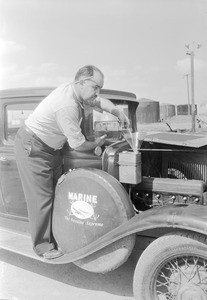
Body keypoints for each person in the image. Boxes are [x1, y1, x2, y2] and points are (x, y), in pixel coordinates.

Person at [14, 65, 129, 259]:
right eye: (95, 87)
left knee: (61, 191)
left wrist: (117, 112)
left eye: (100, 88)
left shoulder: (79, 92)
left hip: (52, 147)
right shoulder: (67, 105)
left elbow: (99, 101)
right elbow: (78, 144)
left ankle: (61, 237)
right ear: (82, 82)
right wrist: (96, 144)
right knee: (42, 198)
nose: (97, 92)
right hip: (33, 147)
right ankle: (42, 246)